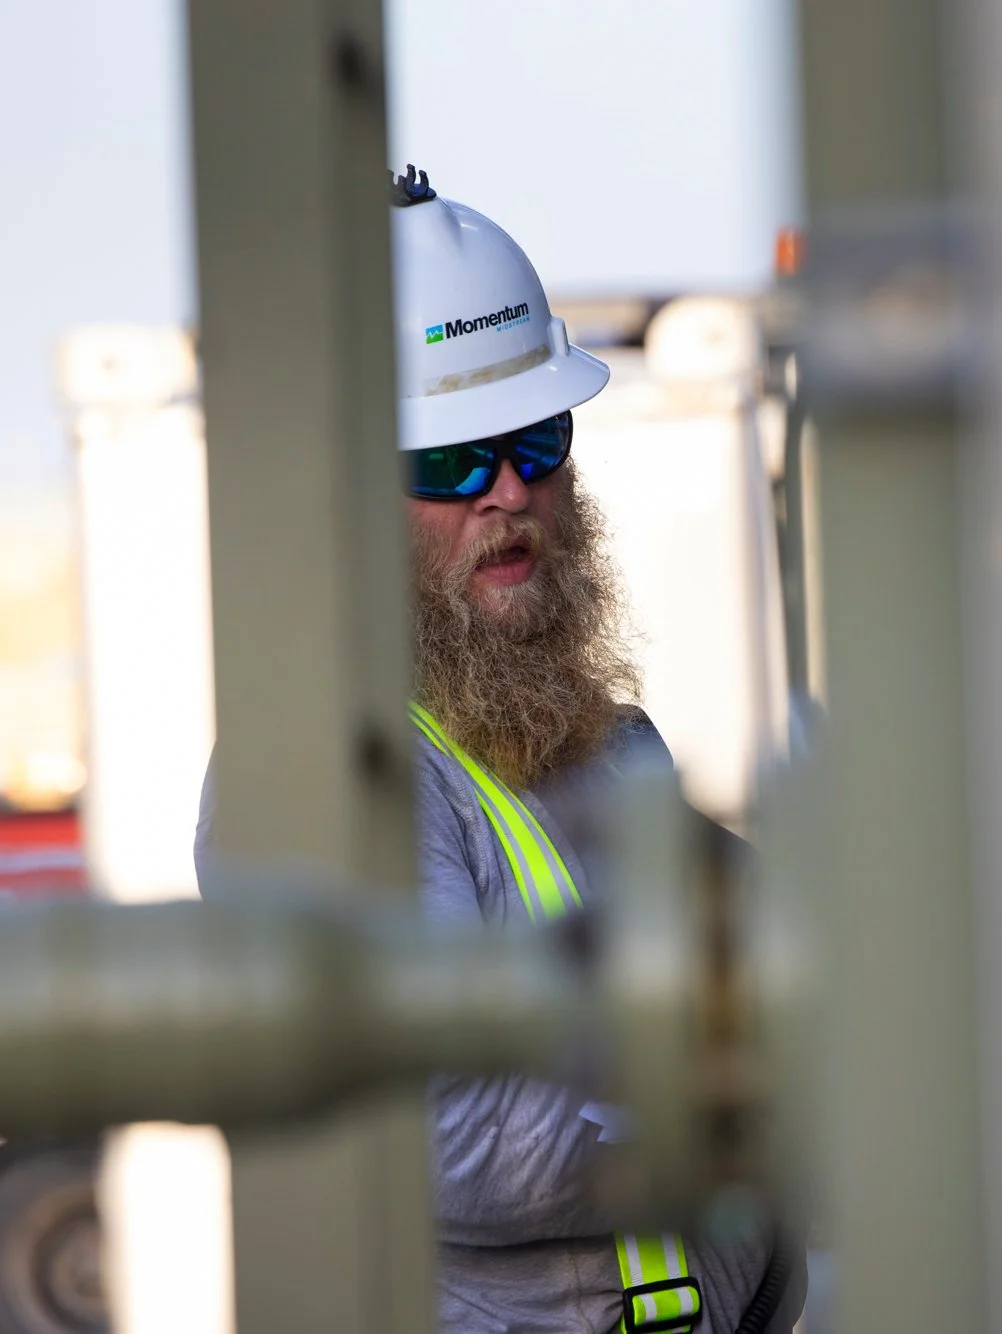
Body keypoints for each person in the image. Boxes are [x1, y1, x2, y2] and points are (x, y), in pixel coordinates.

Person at [196, 167, 798, 1334]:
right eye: (448, 461)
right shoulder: (330, 767)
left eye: (536, 439)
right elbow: (456, 1137)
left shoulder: (599, 735)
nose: (508, 492)